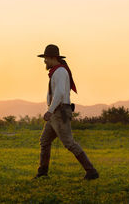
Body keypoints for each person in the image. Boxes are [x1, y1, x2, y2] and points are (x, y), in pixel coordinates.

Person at [34, 44, 99, 180]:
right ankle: (42, 173)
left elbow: (60, 93)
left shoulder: (60, 72)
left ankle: (91, 171)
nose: (44, 61)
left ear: (52, 58)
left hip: (59, 113)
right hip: (56, 113)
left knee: (69, 143)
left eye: (45, 58)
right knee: (44, 141)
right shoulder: (56, 72)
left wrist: (50, 111)